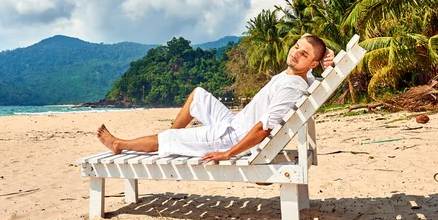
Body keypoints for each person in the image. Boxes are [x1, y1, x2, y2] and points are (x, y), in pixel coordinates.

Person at [97, 35, 332, 163]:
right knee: (198, 96)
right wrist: (326, 58)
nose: (296, 53)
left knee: (170, 137)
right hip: (234, 124)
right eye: (297, 46)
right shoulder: (300, 75)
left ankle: (122, 144)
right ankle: (171, 138)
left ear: (311, 63)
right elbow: (314, 75)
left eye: (304, 54)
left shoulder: (292, 86)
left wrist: (228, 153)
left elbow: (264, 129)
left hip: (232, 137)